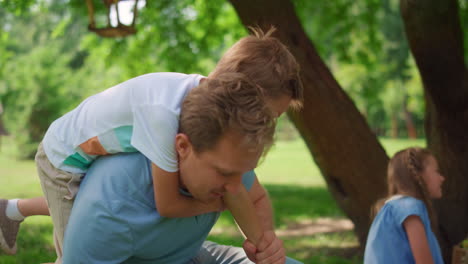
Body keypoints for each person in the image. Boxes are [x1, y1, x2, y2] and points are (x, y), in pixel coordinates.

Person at [0, 27, 303, 262]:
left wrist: (264, 244)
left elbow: (249, 193)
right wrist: (221, 201)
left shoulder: (210, 120)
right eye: (265, 113)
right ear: (237, 91)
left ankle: (12, 210)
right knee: (75, 249)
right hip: (63, 157)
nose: (263, 125)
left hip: (91, 152)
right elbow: (167, 204)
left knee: (87, 206)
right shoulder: (167, 118)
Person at [61, 74, 302, 263]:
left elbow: (256, 198)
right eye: (226, 173)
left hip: (193, 255)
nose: (236, 187)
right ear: (182, 146)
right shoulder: (111, 204)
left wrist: (266, 244)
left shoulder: (228, 160)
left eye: (244, 171)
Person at [364, 147, 445, 264]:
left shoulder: (395, 208)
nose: (442, 178)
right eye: (437, 171)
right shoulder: (410, 208)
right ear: (418, 175)